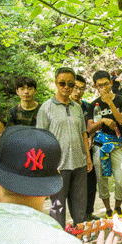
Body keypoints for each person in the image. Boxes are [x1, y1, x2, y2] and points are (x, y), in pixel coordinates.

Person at [37, 67, 92, 227]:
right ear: (56, 83)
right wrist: (48, 164)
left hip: (79, 162)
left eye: (70, 84)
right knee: (57, 207)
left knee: (80, 204)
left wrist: (87, 157)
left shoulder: (77, 108)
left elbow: (83, 133)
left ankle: (81, 235)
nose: (66, 87)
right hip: (58, 165)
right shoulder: (46, 108)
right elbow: (42, 138)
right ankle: (59, 239)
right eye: (62, 83)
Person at [87, 70, 122, 218]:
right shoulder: (93, 105)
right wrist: (102, 121)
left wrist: (110, 103)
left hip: (116, 145)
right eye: (100, 86)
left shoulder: (121, 101)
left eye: (106, 84)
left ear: (111, 83)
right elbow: (89, 128)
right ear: (95, 86)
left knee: (121, 180)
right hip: (99, 146)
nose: (103, 88)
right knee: (102, 180)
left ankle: (118, 206)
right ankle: (108, 209)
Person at [75, 75, 98, 221]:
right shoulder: (64, 106)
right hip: (72, 150)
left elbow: (94, 125)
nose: (78, 91)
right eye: (75, 87)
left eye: (81, 88)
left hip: (88, 149)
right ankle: (78, 217)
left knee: (91, 182)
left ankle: (89, 212)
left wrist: (91, 136)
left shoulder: (87, 106)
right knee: (76, 185)